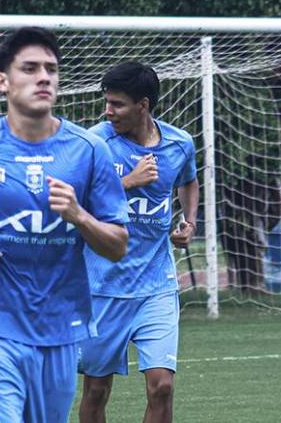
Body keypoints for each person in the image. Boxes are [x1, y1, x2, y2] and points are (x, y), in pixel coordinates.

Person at [0, 27, 129, 423]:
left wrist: (79, 215)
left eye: (51, 68)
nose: (43, 77)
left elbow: (117, 245)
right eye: (29, 68)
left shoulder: (88, 150)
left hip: (60, 327)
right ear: (2, 81)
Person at [77, 61, 198, 423]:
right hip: (103, 286)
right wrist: (128, 181)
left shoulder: (180, 143)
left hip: (156, 286)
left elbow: (189, 181)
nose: (107, 110)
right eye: (107, 102)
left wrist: (189, 221)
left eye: (116, 104)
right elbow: (72, 201)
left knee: (162, 387)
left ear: (143, 105)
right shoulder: (95, 142)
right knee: (96, 391)